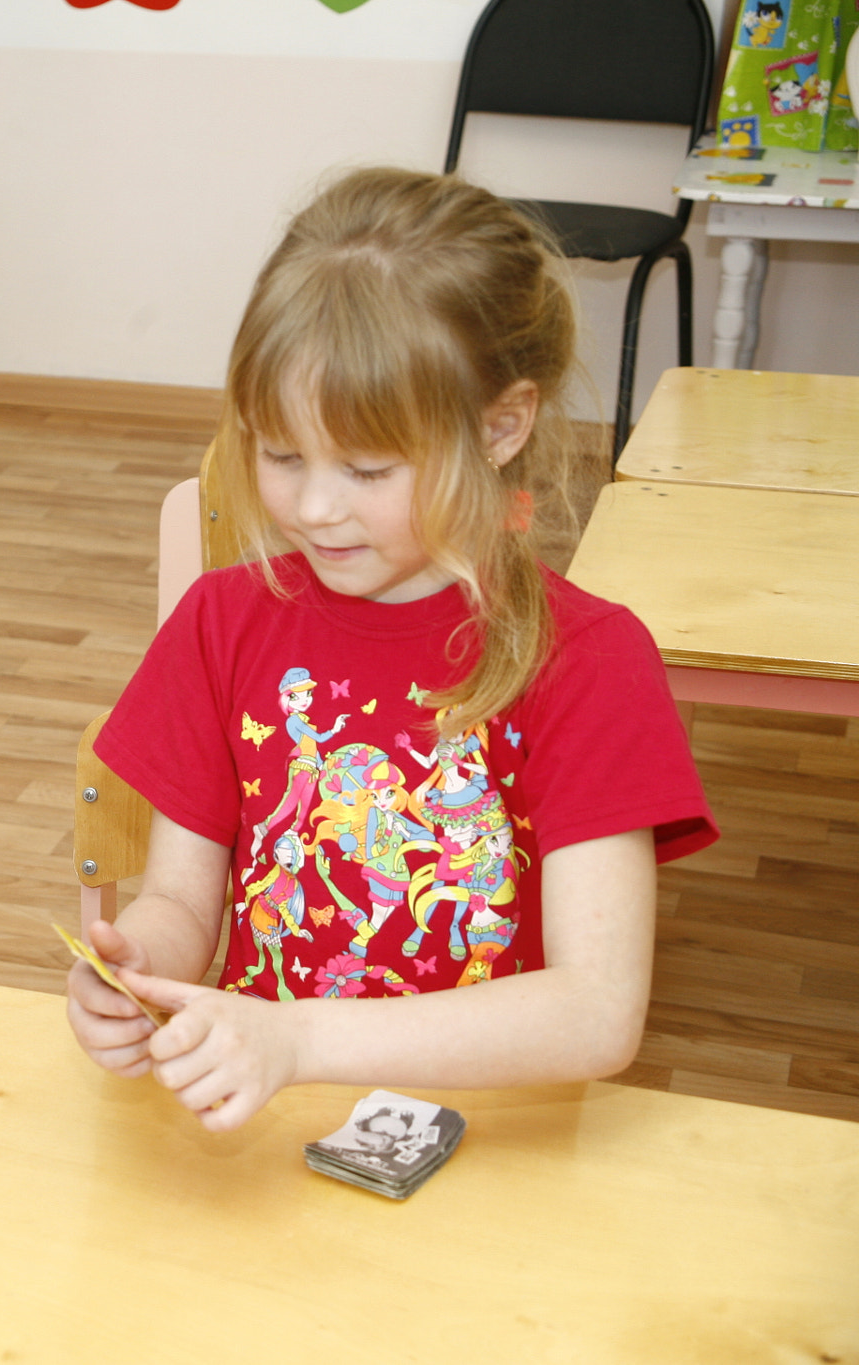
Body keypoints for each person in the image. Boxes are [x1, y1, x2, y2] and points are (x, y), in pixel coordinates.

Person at [66, 167, 716, 1133]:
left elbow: (597, 1012)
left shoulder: (591, 659)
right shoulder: (220, 622)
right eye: (282, 454)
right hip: (267, 1122)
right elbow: (179, 897)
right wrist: (141, 970)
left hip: (493, 1136)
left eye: (367, 468)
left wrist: (302, 1039)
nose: (315, 506)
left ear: (501, 426)